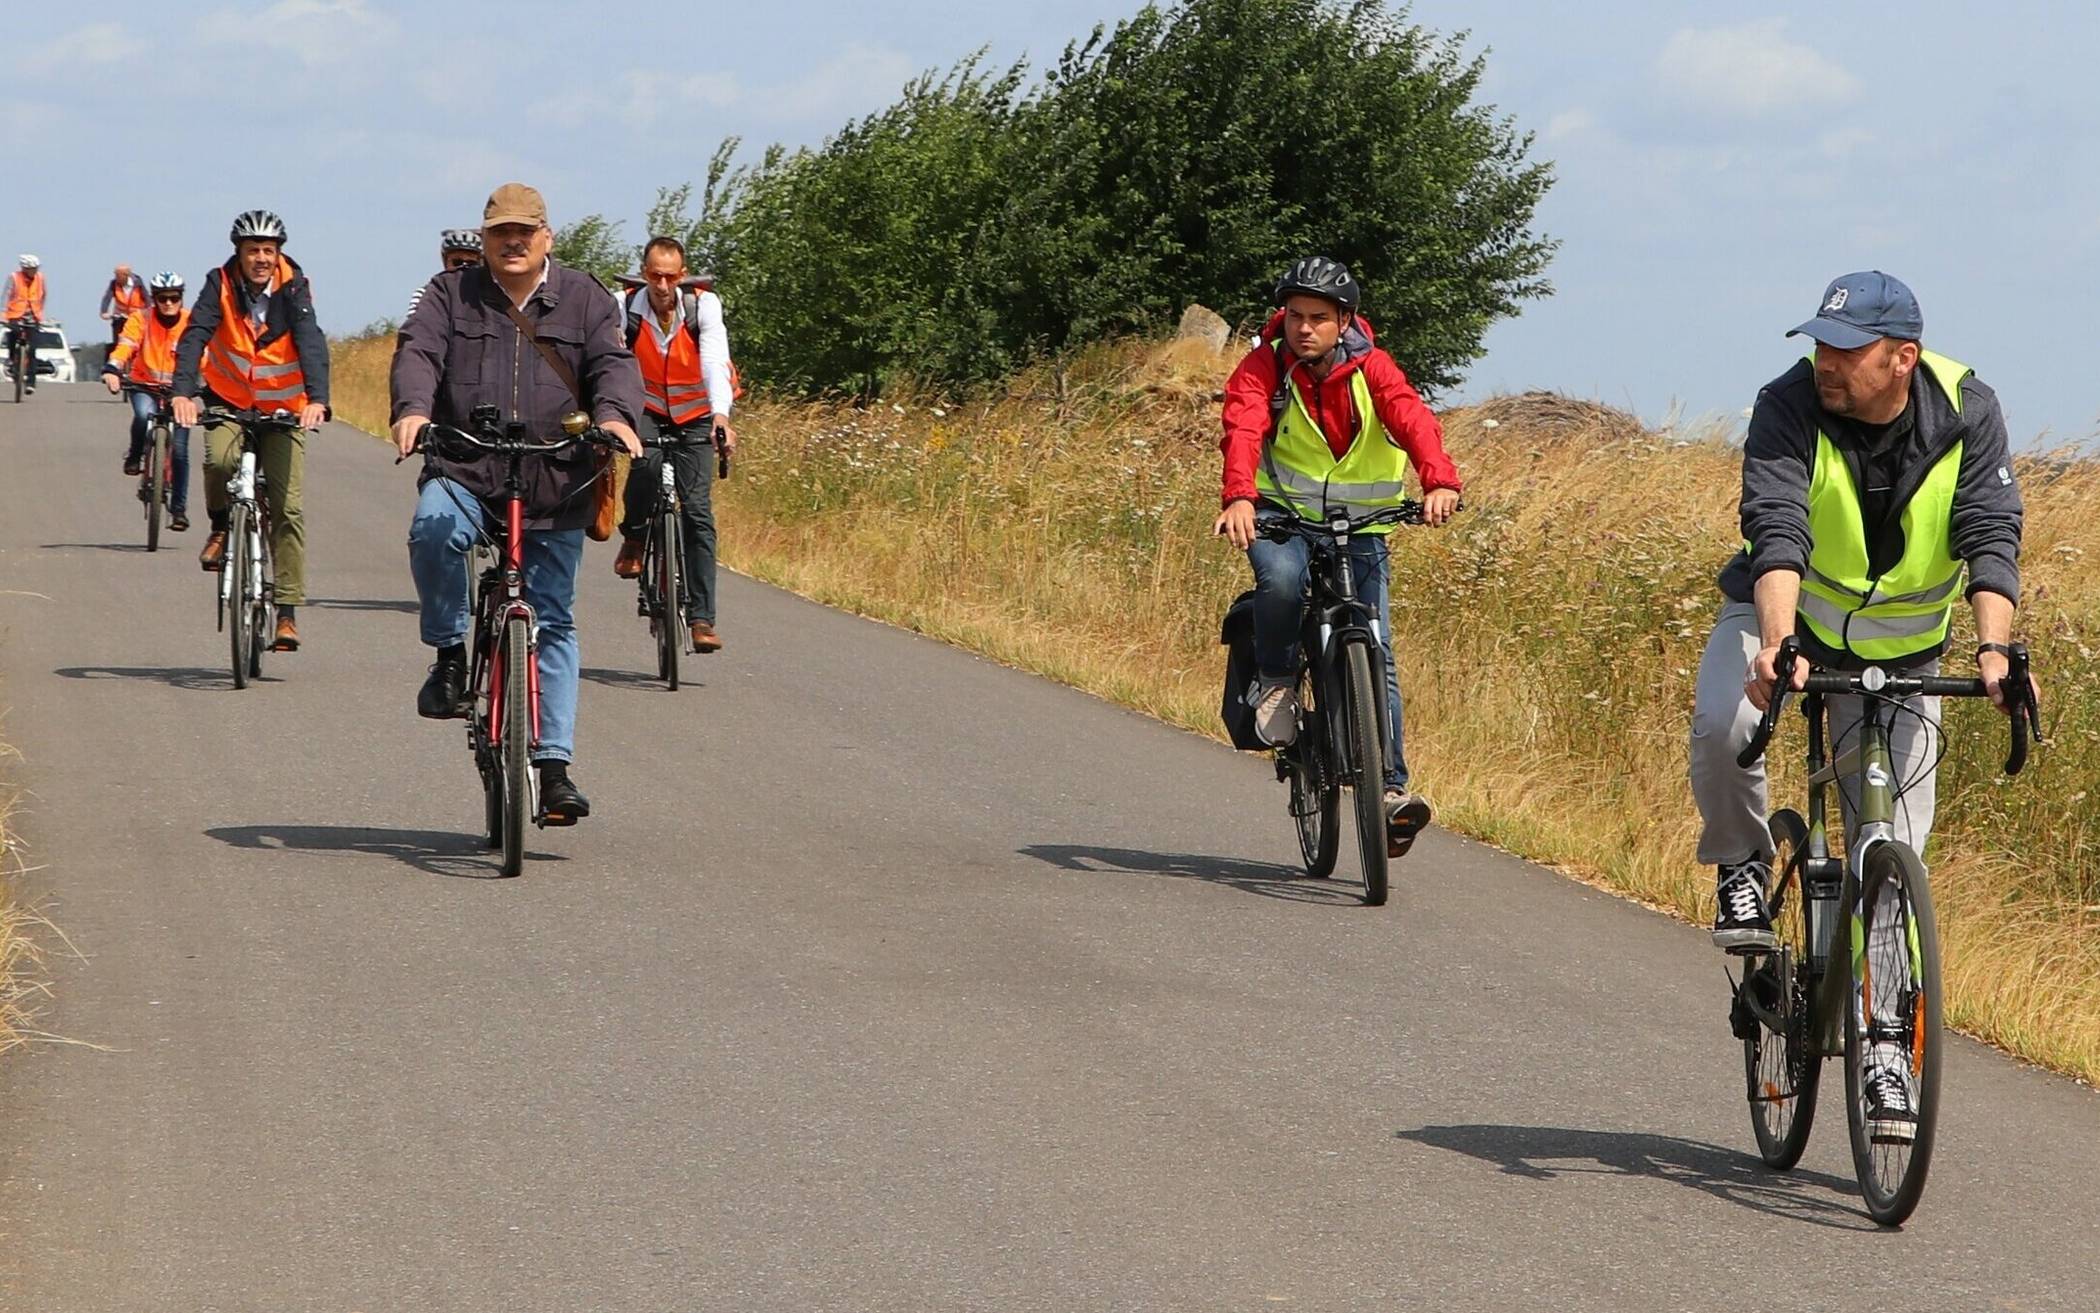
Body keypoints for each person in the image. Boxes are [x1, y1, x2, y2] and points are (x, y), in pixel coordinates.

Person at [1688, 271, 2026, 1139]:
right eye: (1820, 346)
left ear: (1902, 357)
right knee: (1728, 725)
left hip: (1905, 649)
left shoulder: (1968, 410)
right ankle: (1740, 866)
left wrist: (1993, 647)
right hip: (1788, 623)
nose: (1825, 363)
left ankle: (1886, 1044)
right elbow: (1778, 523)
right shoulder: (1788, 403)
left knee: (1891, 857)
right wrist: (1773, 641)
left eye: (1846, 350)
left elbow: (1990, 531)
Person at [392, 182, 645, 824]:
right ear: (482, 240)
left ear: (545, 238)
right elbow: (418, 352)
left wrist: (615, 418)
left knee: (553, 618)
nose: (512, 242)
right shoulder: (450, 295)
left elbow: (613, 364)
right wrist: (414, 411)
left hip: (555, 475)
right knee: (434, 529)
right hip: (467, 464)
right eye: (500, 232)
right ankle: (450, 656)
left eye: (524, 232)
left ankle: (554, 767)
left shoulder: (584, 297)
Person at [1214, 256, 1462, 858]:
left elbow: (1412, 418)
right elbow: (1242, 427)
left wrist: (1439, 481)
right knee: (1279, 580)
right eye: (1295, 316)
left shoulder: (1371, 368)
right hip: (1282, 518)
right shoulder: (1264, 366)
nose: (1304, 328)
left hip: (1363, 525)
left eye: (1318, 318)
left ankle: (1390, 791)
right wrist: (1239, 497)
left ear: (1344, 320)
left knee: (1374, 644)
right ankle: (1275, 680)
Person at [172, 210, 331, 653]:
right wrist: (183, 392)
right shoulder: (218, 283)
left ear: (278, 252)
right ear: (238, 253)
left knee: (287, 507)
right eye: (252, 250)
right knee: (219, 460)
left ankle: (286, 612)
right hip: (229, 398)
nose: (261, 258)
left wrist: (318, 399)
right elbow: (195, 335)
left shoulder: (294, 285)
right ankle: (222, 525)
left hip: (284, 406)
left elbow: (310, 340)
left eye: (268, 250)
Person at [608, 235, 738, 653]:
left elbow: (714, 361)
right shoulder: (625, 306)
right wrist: (609, 416)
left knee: (697, 512)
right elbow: (610, 362)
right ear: (643, 273)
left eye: (670, 277)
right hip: (645, 406)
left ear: (682, 276)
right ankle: (635, 534)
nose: (662, 286)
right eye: (654, 276)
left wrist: (721, 415)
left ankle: (702, 618)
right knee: (644, 467)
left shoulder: (703, 307)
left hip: (697, 411)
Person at [103, 272, 194, 531]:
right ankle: (134, 455)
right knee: (143, 416)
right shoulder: (140, 318)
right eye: (162, 298)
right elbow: (126, 346)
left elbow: (205, 356)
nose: (168, 304)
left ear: (180, 298)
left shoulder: (191, 322)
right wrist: (112, 368)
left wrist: (210, 385)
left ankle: (178, 509)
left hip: (180, 392)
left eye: (174, 298)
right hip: (144, 384)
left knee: (180, 450)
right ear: (154, 298)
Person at [405, 228, 483, 320]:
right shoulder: (425, 294)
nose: (463, 267)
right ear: (445, 262)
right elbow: (416, 326)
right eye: (457, 262)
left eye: (471, 263)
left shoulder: (490, 295)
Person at [5, 255, 47, 393]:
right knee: (12, 334)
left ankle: (30, 383)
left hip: (33, 316)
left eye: (35, 268)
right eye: (30, 269)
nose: (33, 271)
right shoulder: (14, 277)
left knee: (32, 350)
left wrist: (40, 314)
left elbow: (43, 295)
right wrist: (3, 315)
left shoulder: (40, 278)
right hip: (15, 315)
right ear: (24, 268)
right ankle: (12, 360)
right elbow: (5, 296)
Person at [101, 264, 147, 351]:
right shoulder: (113, 284)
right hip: (120, 316)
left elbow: (146, 297)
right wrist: (104, 312)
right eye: (115, 274)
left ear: (126, 275)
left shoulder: (138, 283)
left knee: (142, 341)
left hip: (137, 315)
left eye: (118, 275)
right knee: (117, 343)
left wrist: (149, 310)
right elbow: (107, 298)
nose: (116, 277)